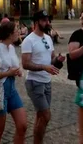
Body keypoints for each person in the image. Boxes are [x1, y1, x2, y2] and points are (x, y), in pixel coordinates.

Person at [21, 10, 65, 144]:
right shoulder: (29, 40)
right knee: (46, 115)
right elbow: (25, 64)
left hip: (47, 82)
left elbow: (51, 60)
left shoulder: (48, 38)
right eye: (44, 20)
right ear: (36, 22)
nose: (48, 23)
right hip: (35, 82)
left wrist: (58, 60)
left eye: (48, 20)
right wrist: (43, 67)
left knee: (41, 116)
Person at [0, 21, 27, 144]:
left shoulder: (11, 48)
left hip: (11, 90)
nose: (19, 31)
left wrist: (17, 71)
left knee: (22, 125)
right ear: (9, 34)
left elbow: (12, 66)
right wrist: (7, 73)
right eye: (16, 30)